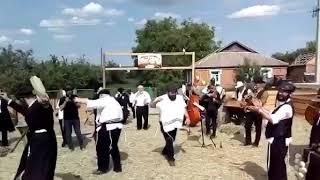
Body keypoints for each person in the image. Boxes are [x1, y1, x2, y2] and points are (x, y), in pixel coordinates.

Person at [1, 86, 57, 180]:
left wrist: (46, 103)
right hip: (38, 139)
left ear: (23, 98)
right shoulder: (31, 106)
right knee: (32, 162)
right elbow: (22, 110)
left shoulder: (39, 104)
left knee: (40, 164)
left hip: (43, 141)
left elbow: (46, 109)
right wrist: (8, 99)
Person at [246, 81, 295, 180]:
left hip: (280, 140)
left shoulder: (287, 107)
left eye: (284, 92)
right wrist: (260, 108)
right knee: (274, 165)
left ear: (289, 94)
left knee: (278, 167)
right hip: (277, 139)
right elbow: (271, 114)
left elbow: (273, 119)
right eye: (280, 90)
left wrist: (258, 110)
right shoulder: (282, 105)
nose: (281, 93)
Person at [75, 89, 123, 174]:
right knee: (112, 146)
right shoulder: (112, 101)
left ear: (102, 95)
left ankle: (103, 168)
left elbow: (90, 102)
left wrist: (77, 99)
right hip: (111, 126)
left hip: (109, 127)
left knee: (103, 148)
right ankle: (117, 167)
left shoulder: (106, 100)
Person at [151, 85, 190, 166]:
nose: (173, 95)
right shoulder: (162, 98)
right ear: (167, 92)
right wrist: (155, 102)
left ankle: (165, 151)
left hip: (175, 122)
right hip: (164, 122)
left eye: (174, 93)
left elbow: (183, 108)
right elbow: (152, 106)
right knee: (169, 139)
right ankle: (171, 158)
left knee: (172, 139)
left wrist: (187, 117)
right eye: (171, 93)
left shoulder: (179, 98)